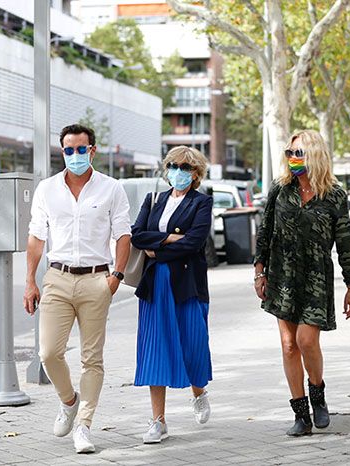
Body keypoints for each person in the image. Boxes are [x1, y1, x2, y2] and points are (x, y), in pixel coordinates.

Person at [23, 124, 131, 454]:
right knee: (49, 353)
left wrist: (116, 276)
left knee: (92, 359)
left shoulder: (111, 189)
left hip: (97, 280)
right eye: (68, 150)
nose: (75, 156)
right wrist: (29, 281)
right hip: (56, 278)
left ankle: (83, 425)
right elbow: (36, 238)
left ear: (92, 151)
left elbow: (123, 235)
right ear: (62, 152)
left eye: (81, 149)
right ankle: (69, 400)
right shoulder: (47, 189)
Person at [254, 129, 350, 437]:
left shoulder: (335, 195)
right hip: (281, 275)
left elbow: (345, 242)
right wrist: (259, 271)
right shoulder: (279, 190)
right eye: (290, 153)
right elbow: (265, 229)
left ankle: (318, 394)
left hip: (316, 277)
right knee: (288, 346)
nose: (293, 159)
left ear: (315, 155)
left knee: (307, 341)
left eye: (299, 153)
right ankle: (301, 414)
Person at [130, 146, 213, 444]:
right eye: (174, 166)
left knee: (193, 344)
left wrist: (158, 247)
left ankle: (198, 391)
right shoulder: (153, 200)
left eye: (185, 167)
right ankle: (158, 421)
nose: (178, 171)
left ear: (195, 173)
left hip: (187, 284)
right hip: (156, 285)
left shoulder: (202, 203)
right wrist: (170, 238)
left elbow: (194, 243)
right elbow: (137, 235)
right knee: (156, 348)